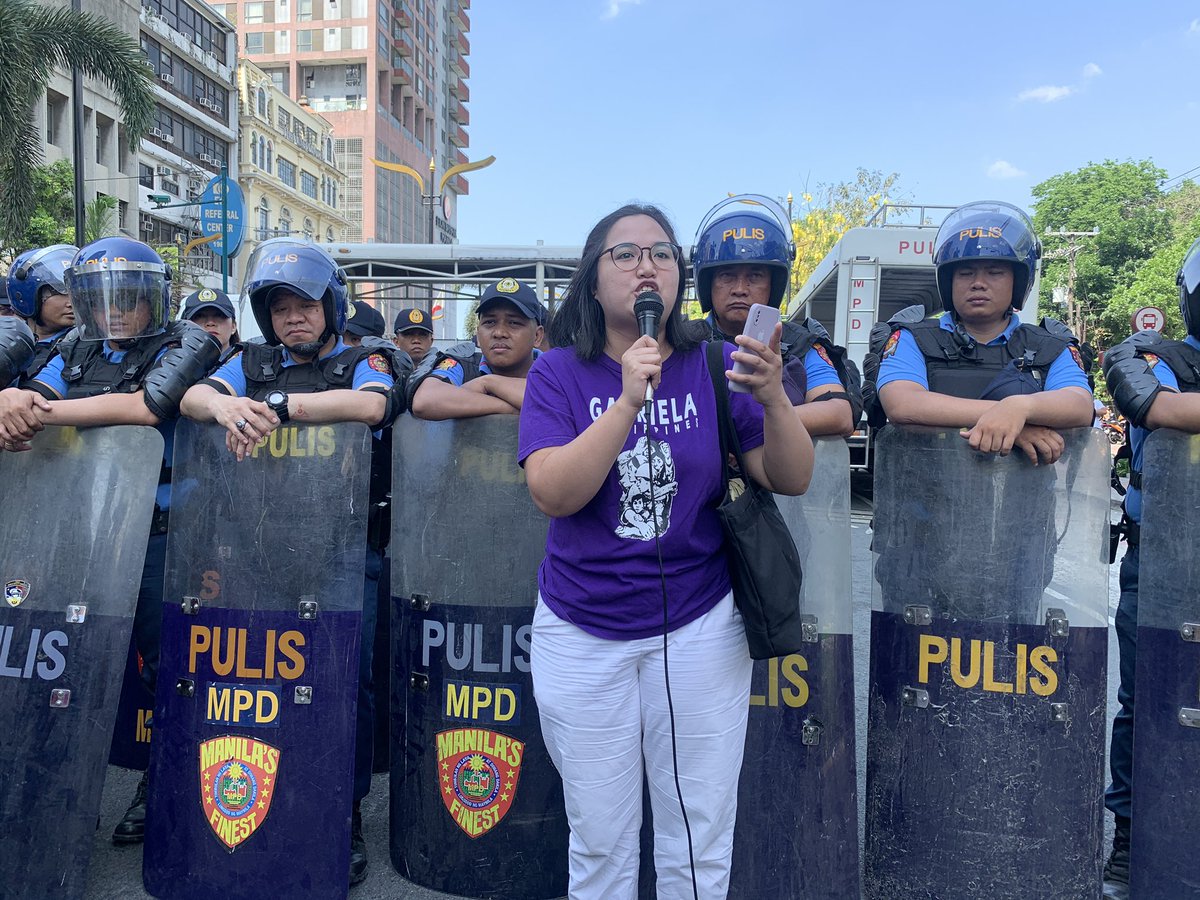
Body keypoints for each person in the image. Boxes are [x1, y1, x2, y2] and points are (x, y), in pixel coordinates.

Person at [517, 204, 813, 898]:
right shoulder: (558, 372)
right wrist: (624, 403)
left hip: (699, 629)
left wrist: (773, 399)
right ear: (593, 280)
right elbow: (553, 494)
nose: (646, 266)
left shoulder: (714, 362)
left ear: (679, 276)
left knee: (698, 836)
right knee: (600, 840)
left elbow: (791, 476)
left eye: (661, 253)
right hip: (582, 633)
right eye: (624, 254)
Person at [179, 238, 400, 886]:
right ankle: (266, 796)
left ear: (329, 306)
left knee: (340, 687)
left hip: (340, 550)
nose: (293, 319)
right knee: (258, 685)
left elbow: (373, 406)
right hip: (257, 549)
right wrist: (224, 403)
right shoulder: (252, 363)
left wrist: (278, 408)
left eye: (304, 305)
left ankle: (344, 812)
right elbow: (194, 398)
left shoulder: (364, 359)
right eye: (279, 309)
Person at [1, 237, 220, 842]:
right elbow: (37, 391)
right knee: (64, 663)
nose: (116, 311)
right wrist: (12, 399)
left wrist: (34, 412)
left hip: (160, 536)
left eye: (129, 298)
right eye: (101, 299)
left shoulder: (185, 341)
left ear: (154, 299)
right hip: (78, 529)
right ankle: (64, 790)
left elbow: (148, 407)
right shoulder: (73, 346)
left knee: (169, 668)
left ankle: (166, 784)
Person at [1100, 235, 1200, 897]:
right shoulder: (1156, 358)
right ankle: (1133, 836)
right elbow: (1161, 409)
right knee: (1148, 702)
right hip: (1166, 560)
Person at [874, 200, 1092, 463]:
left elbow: (1079, 404)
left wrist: (1019, 407)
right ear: (948, 281)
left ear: (1018, 281)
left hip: (1023, 500)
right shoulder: (913, 338)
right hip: (927, 496)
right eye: (965, 273)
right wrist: (1010, 421)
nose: (978, 283)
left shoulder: (1050, 345)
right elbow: (903, 405)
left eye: (995, 272)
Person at [693, 196, 858, 436]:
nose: (740, 288)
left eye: (755, 276)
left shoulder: (800, 344)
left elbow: (839, 413)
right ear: (708, 283)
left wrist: (748, 426)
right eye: (727, 275)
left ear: (774, 284)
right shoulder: (685, 341)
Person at [408, 278, 544, 420]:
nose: (499, 333)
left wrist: (488, 384)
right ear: (478, 335)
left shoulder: (555, 371)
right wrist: (508, 407)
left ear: (537, 336)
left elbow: (556, 404)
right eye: (490, 322)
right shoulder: (463, 364)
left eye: (514, 323)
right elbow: (425, 400)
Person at [6, 243, 78, 381]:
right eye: (59, 292)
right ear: (29, 295)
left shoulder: (83, 346)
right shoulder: (9, 340)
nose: (72, 303)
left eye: (75, 293)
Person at [180, 287, 239, 361]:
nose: (210, 323)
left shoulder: (248, 366)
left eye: (219, 315)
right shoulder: (172, 366)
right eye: (199, 316)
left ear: (233, 326)